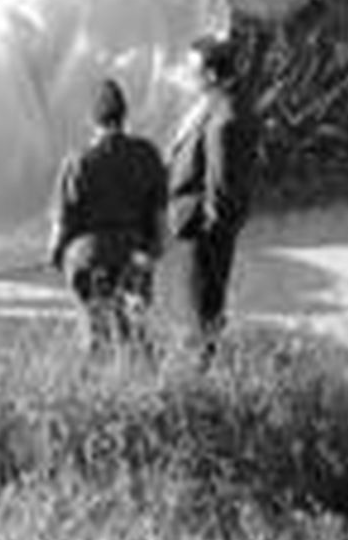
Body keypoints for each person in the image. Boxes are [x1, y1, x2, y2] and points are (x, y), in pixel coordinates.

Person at [48, 78, 170, 358]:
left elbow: (61, 223)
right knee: (136, 331)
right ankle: (140, 385)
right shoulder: (148, 154)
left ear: (92, 119)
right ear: (124, 115)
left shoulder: (78, 161)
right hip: (134, 255)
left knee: (95, 334)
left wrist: (56, 257)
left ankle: (98, 392)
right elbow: (160, 215)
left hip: (88, 257)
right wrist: (155, 251)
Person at [164, 34, 260, 368]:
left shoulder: (224, 118)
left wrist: (209, 230)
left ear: (211, 74)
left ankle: (201, 376)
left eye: (193, 69)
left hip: (204, 232)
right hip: (200, 225)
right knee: (202, 305)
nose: (188, 76)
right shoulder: (219, 101)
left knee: (201, 308)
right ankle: (204, 364)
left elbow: (222, 188)